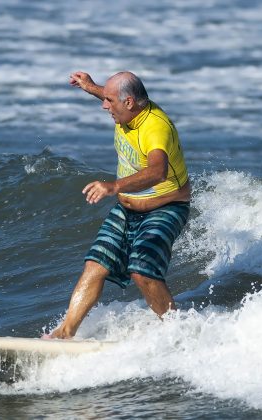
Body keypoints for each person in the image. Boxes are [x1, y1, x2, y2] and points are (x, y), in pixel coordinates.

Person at [49, 71, 191, 339]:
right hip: (128, 208)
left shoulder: (155, 128)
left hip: (166, 207)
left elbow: (157, 172)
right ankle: (65, 333)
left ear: (129, 103)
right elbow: (108, 94)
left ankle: (178, 335)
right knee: (95, 265)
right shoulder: (128, 108)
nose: (104, 106)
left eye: (109, 101)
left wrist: (114, 186)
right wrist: (89, 86)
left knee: (142, 271)